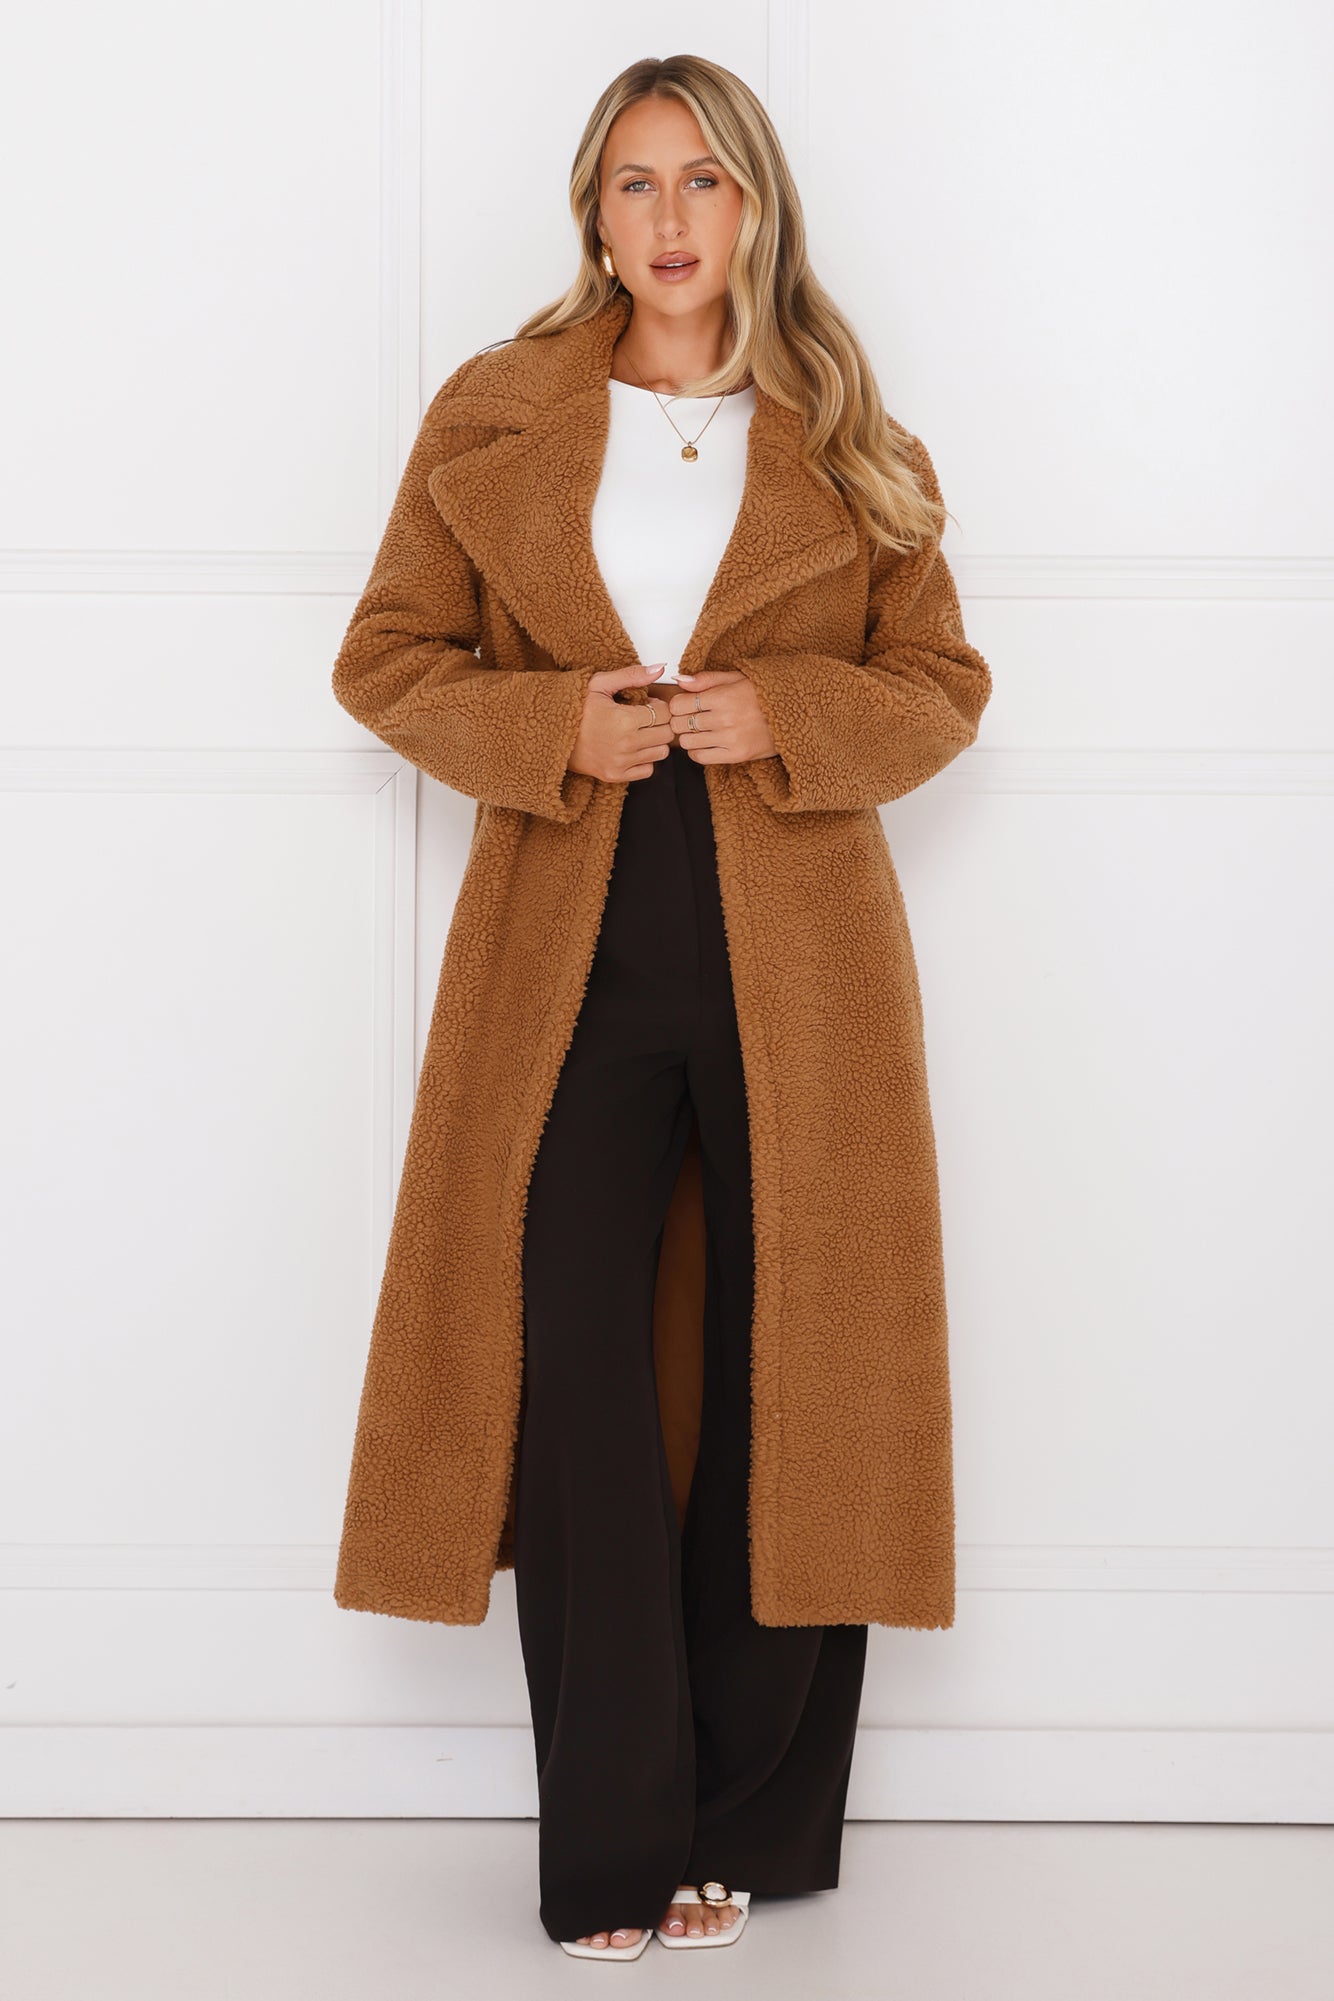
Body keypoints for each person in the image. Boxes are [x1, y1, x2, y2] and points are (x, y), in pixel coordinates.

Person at [329, 51, 992, 1962]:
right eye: (634, 183)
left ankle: (749, 1821)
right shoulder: (500, 409)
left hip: (800, 941)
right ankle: (614, 1838)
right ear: (593, 213)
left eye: (704, 179)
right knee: (578, 1369)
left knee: (800, 1366)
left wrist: (786, 709)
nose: (671, 217)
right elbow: (386, 656)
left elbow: (941, 684)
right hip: (568, 923)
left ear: (755, 204)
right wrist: (556, 722)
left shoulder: (842, 421)